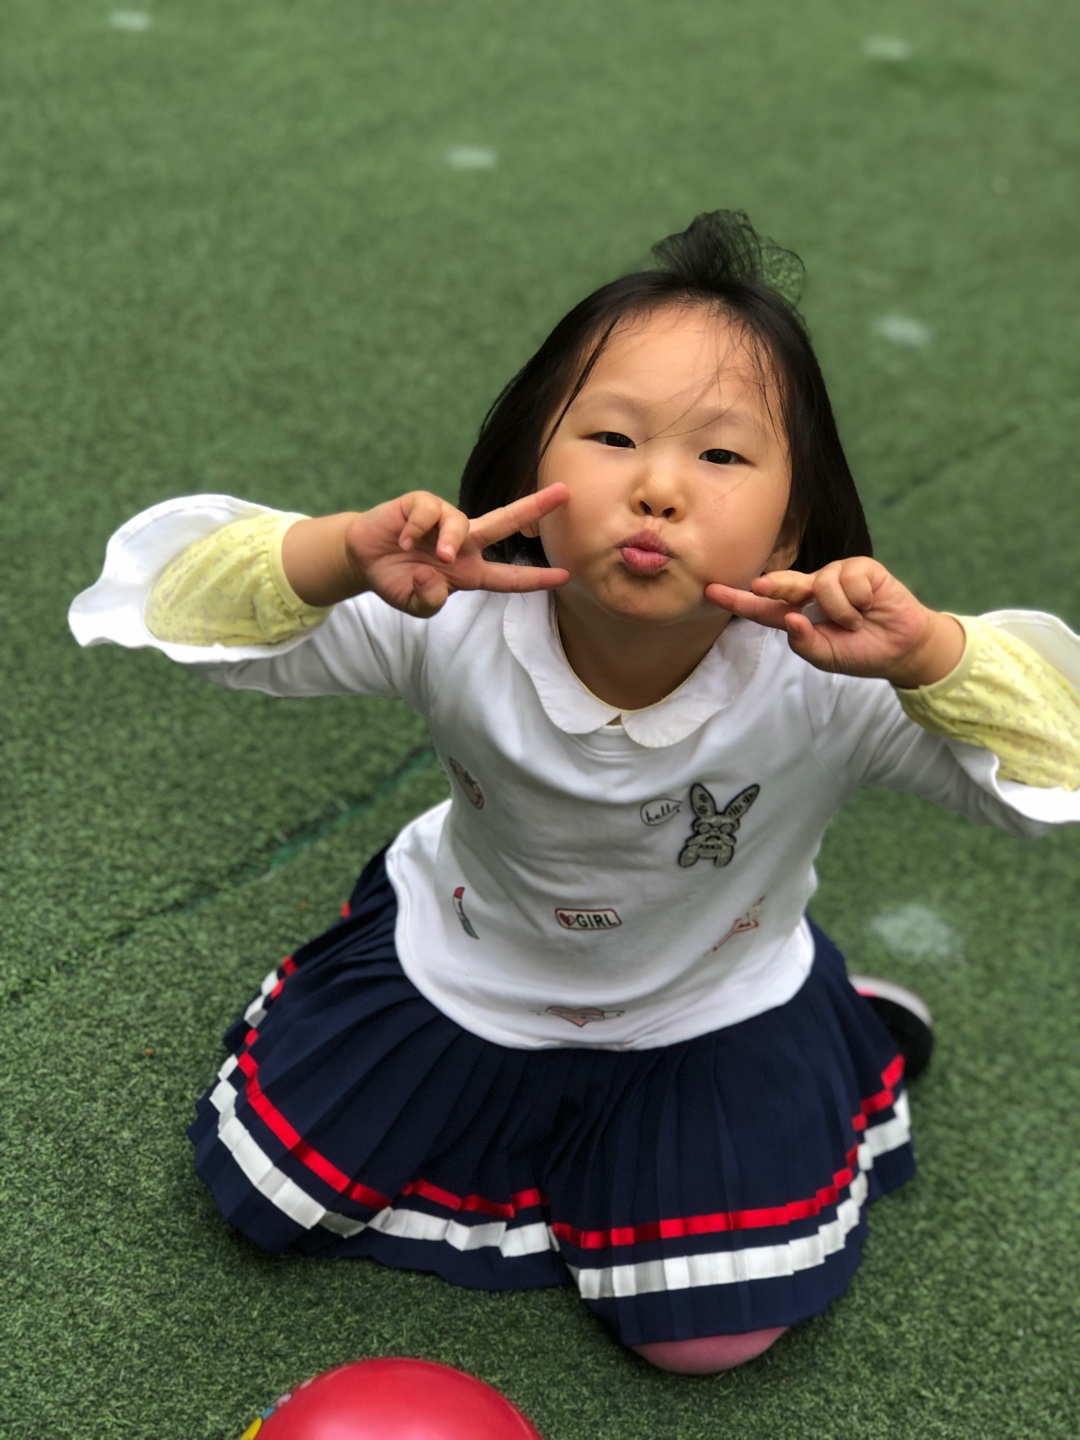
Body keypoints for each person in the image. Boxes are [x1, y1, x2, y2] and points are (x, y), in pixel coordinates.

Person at [69, 211, 1080, 1374]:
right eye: (611, 436)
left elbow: (1053, 774)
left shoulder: (827, 682)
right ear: (529, 473)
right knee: (271, 1202)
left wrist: (935, 655)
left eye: (722, 456)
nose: (657, 488)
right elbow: (172, 609)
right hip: (472, 971)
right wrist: (340, 553)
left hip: (708, 1004)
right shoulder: (450, 617)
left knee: (708, 1341)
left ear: (792, 527)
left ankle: (838, 1023)